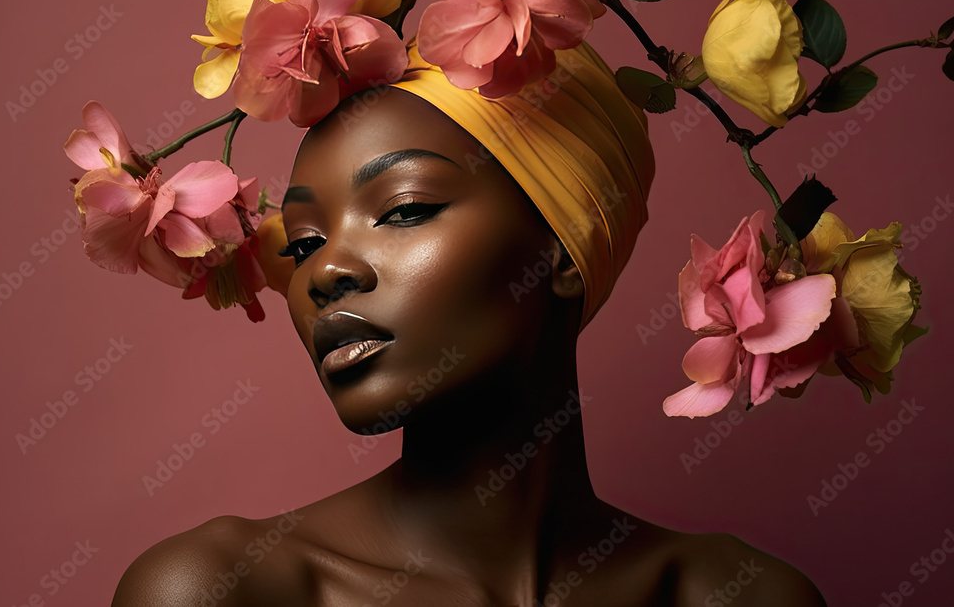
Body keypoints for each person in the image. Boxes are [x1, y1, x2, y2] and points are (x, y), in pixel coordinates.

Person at [110, 40, 827, 606]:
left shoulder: (738, 594)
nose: (324, 272)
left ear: (562, 248)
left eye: (404, 209)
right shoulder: (224, 591)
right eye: (301, 244)